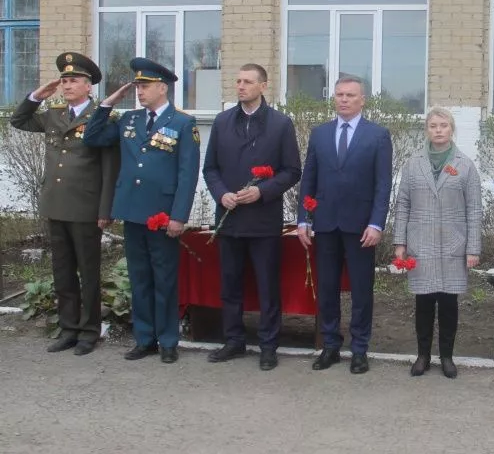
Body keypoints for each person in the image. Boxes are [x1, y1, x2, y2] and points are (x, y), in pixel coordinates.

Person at [83, 58, 200, 364]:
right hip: (133, 211)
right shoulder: (129, 120)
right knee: (139, 279)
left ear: (163, 88)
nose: (139, 92)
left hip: (162, 215)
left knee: (164, 279)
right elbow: (92, 137)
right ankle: (144, 338)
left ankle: (168, 340)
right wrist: (108, 103)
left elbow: (188, 174)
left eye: (145, 86)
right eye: (137, 87)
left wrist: (179, 216)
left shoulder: (182, 123)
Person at [10, 52, 119, 355]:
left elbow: (110, 170)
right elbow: (19, 121)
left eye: (74, 81)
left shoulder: (103, 118)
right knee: (62, 272)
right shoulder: (54, 114)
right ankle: (68, 328)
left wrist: (105, 209)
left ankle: (89, 331)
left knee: (88, 272)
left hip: (86, 208)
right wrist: (35, 97)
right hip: (56, 205)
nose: (67, 86)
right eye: (65, 81)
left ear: (88, 86)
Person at [202, 64, 301, 370]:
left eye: (248, 81)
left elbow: (292, 171)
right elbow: (211, 169)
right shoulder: (222, 122)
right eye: (238, 81)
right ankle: (233, 340)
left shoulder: (280, 124)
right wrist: (221, 194)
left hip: (262, 220)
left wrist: (263, 191)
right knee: (230, 284)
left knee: (267, 285)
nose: (241, 86)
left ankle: (268, 345)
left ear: (263, 86)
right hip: (230, 217)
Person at [297, 77, 392, 375]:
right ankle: (330, 345)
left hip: (361, 227)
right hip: (325, 226)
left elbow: (382, 185)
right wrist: (303, 218)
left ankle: (360, 348)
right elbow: (308, 179)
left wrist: (377, 223)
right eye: (339, 95)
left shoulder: (377, 135)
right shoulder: (320, 134)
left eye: (350, 95)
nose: (344, 100)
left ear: (362, 100)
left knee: (362, 290)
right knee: (327, 289)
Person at [393, 107, 482, 379]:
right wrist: (400, 242)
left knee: (448, 302)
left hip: (453, 244)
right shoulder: (412, 163)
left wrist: (473, 248)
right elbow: (402, 203)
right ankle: (422, 355)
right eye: (433, 125)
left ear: (451, 128)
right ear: (427, 130)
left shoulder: (465, 165)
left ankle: (447, 356)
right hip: (421, 243)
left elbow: (474, 210)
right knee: (423, 301)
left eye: (443, 125)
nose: (438, 130)